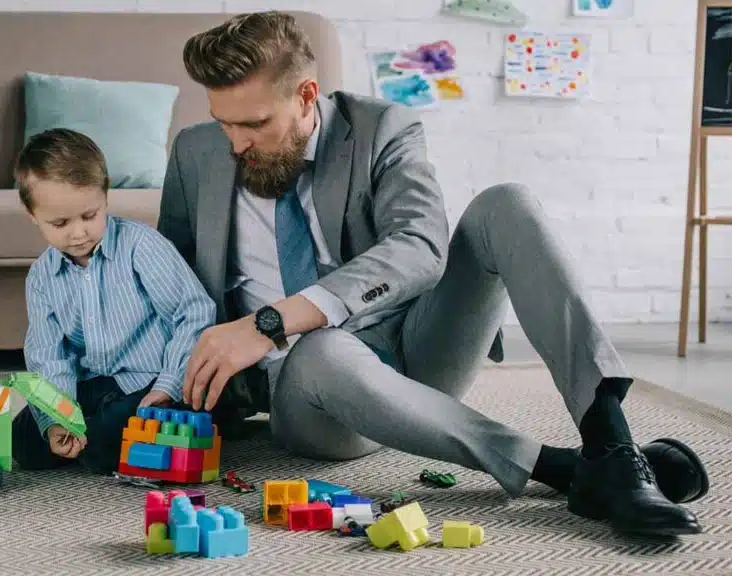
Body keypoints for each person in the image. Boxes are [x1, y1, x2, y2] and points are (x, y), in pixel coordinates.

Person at [158, 10, 709, 536]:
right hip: (308, 389)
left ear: (306, 95)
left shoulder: (381, 128)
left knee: (506, 205)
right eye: (223, 122)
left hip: (414, 346)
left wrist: (269, 321)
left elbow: (420, 245)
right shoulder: (196, 153)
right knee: (323, 348)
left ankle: (611, 445)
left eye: (255, 123)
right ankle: (562, 469)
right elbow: (169, 279)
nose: (236, 143)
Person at [11, 128, 216, 475]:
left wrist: (168, 384)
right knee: (24, 441)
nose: (78, 233)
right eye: (59, 223)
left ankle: (102, 441)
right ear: (32, 215)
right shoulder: (42, 277)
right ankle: (86, 439)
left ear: (105, 198)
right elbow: (49, 356)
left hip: (151, 381)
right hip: (94, 385)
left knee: (108, 441)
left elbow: (194, 313)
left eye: (89, 216)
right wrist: (59, 418)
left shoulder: (141, 247)